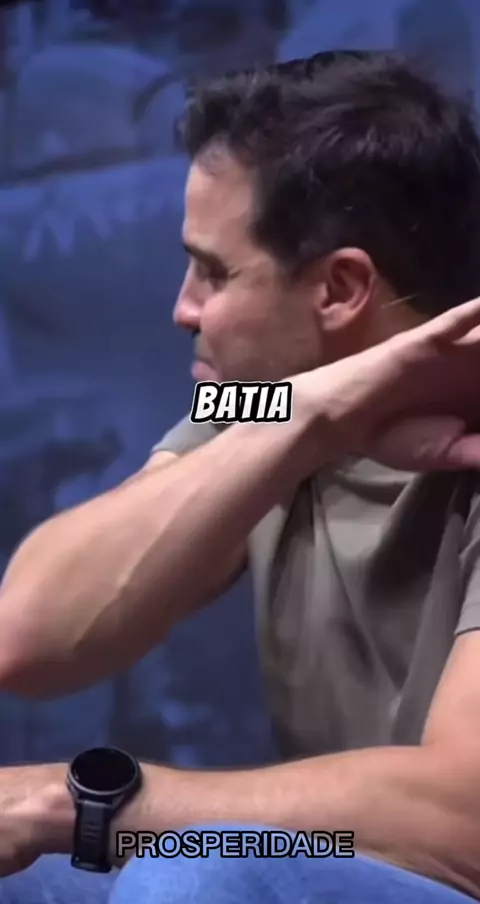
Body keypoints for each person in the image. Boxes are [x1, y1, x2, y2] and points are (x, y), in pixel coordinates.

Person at [2, 50, 480, 904]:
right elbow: (29, 637)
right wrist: (313, 416)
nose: (183, 308)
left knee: (195, 872)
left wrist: (79, 807)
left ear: (341, 287)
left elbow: (463, 821)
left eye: (215, 272)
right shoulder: (266, 405)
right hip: (345, 866)